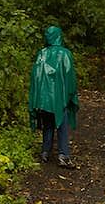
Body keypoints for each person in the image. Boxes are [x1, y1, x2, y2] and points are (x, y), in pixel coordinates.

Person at [28, 25, 79, 169]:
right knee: (62, 125)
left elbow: (36, 77)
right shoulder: (65, 54)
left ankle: (45, 152)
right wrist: (71, 94)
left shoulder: (41, 54)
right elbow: (69, 77)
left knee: (48, 124)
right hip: (59, 98)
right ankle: (63, 155)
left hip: (43, 99)